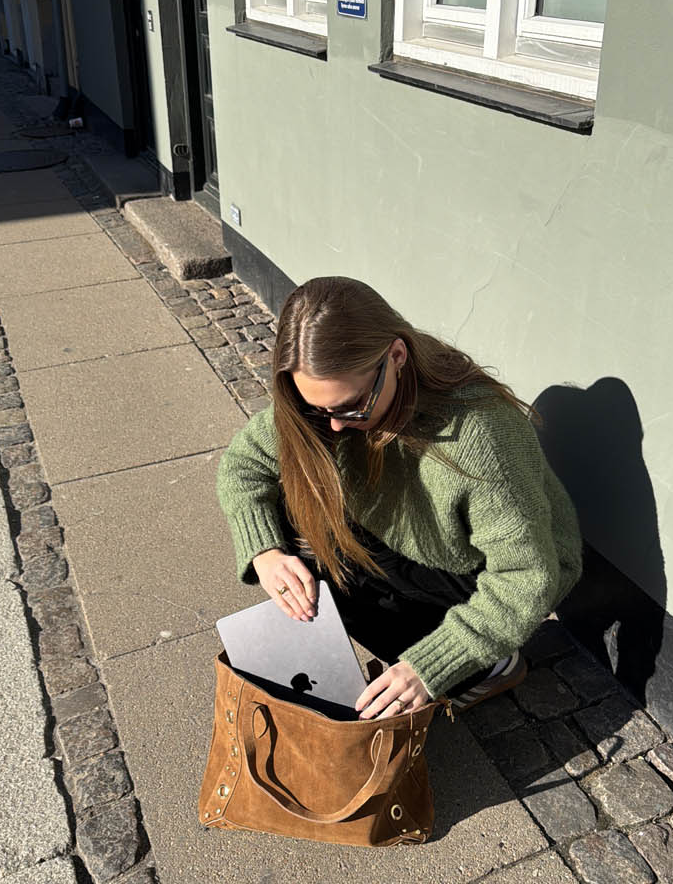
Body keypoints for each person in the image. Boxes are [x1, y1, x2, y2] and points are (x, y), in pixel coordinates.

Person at [216, 276, 582, 720]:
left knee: (349, 588)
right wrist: (266, 553)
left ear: (396, 356)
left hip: (484, 568)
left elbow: (527, 575)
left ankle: (492, 664)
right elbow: (243, 466)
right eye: (318, 409)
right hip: (408, 538)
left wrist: (428, 667)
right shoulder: (327, 402)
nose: (333, 426)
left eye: (350, 406)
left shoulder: (481, 436)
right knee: (306, 546)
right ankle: (413, 633)